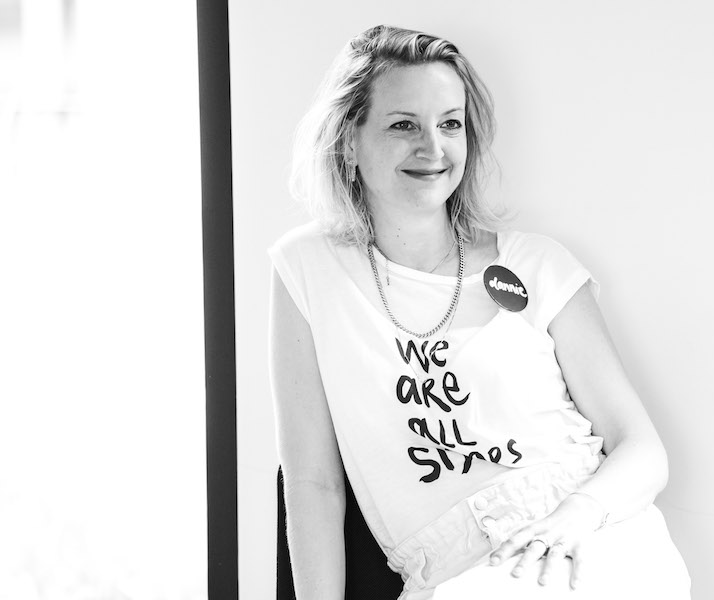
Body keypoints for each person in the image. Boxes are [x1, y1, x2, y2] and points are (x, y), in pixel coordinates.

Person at [268, 24, 691, 600]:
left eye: (450, 124)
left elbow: (642, 449)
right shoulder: (308, 268)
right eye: (403, 125)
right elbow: (313, 482)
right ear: (348, 141)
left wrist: (576, 516)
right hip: (448, 575)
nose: (433, 148)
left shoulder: (537, 264)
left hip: (586, 541)